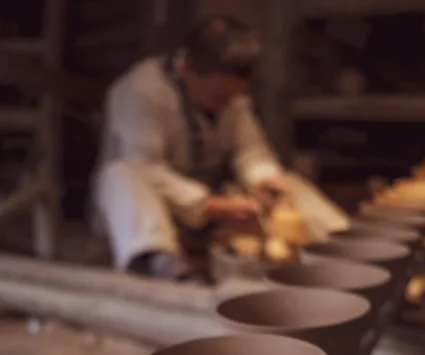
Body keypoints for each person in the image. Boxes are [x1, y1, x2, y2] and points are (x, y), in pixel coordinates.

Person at [94, 15, 348, 280]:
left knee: (289, 189)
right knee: (121, 174)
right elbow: (144, 169)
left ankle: (347, 251)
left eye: (235, 97)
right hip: (156, 209)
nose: (228, 104)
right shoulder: (140, 91)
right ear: (187, 67)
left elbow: (250, 150)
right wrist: (212, 206)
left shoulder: (232, 98)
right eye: (220, 97)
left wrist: (264, 180)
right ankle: (163, 267)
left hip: (214, 206)